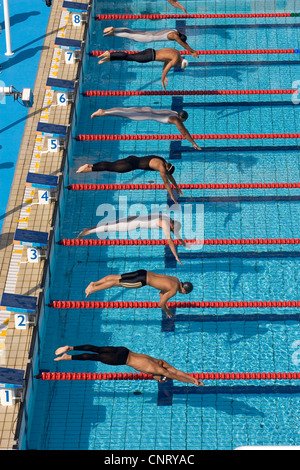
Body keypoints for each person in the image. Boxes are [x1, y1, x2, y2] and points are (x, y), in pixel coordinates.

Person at [54, 345, 204, 386]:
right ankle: (68, 357)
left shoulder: (160, 362)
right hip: (121, 359)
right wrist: (193, 382)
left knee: (96, 349)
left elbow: (177, 370)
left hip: (124, 350)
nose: (156, 379)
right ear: (161, 377)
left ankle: (70, 347)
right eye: (159, 379)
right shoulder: (158, 370)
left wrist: (194, 378)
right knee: (94, 357)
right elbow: (176, 376)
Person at [77, 213, 188, 264]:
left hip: (134, 217)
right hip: (132, 224)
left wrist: (182, 242)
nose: (171, 231)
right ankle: (87, 232)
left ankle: (89, 229)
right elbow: (169, 241)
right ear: (172, 225)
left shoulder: (167, 217)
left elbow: (175, 232)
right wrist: (176, 256)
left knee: (111, 224)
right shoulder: (165, 223)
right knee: (111, 227)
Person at [84, 269, 193, 318]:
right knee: (116, 283)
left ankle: (94, 283)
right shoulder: (174, 291)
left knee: (118, 277)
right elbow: (160, 304)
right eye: (185, 293)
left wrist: (164, 301)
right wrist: (167, 310)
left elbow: (162, 292)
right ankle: (92, 290)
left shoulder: (175, 279)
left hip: (143, 272)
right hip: (142, 281)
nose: (183, 294)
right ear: (184, 290)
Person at [76, 155, 183, 204]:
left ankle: (90, 165)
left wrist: (177, 187)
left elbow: (170, 177)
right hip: (129, 166)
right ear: (167, 169)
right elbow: (166, 182)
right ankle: (90, 169)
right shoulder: (161, 168)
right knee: (110, 168)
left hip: (132, 158)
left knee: (110, 164)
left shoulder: (162, 160)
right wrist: (172, 196)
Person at [90, 106, 201, 150]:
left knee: (125, 110)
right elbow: (184, 132)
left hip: (148, 110)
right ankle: (103, 113)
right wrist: (193, 143)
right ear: (182, 119)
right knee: (124, 114)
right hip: (147, 115)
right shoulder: (176, 120)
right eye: (184, 121)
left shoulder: (175, 113)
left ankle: (104, 111)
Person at [97, 48, 189, 91]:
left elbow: (166, 62)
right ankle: (109, 54)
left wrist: (164, 75)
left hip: (150, 51)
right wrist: (162, 79)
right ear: (180, 63)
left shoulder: (176, 53)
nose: (176, 65)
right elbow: (167, 69)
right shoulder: (175, 60)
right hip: (149, 56)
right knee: (129, 57)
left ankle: (110, 57)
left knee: (129, 57)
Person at [103, 27, 199, 57]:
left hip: (148, 32)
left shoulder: (174, 31)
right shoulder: (174, 36)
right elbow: (183, 44)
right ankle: (113, 34)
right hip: (148, 38)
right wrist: (192, 51)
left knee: (130, 31)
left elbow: (183, 42)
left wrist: (192, 50)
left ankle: (115, 29)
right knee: (130, 35)